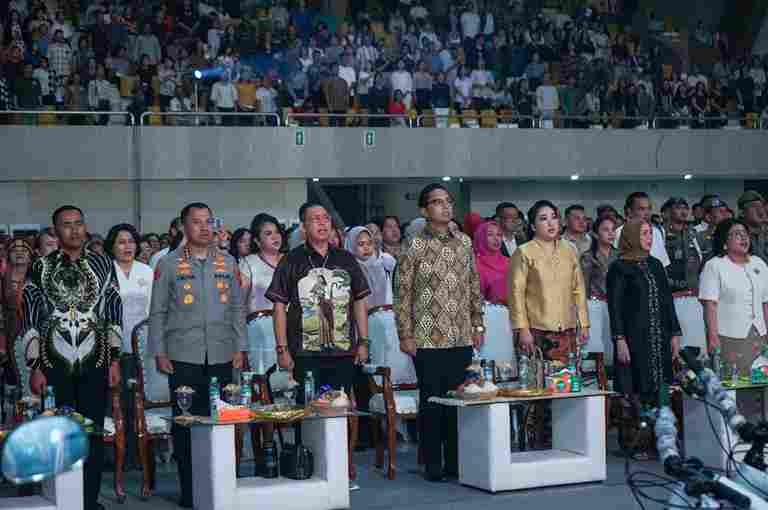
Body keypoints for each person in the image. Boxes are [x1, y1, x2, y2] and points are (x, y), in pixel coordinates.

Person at [20, 205, 123, 510]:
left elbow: (113, 312)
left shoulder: (103, 264)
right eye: (67, 225)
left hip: (96, 362)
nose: (75, 230)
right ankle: (63, 499)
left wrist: (114, 360)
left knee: (91, 431)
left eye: (79, 223)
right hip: (53, 365)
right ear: (55, 230)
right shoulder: (39, 268)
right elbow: (30, 319)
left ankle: (89, 500)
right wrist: (35, 367)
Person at [148, 202, 247, 508]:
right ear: (183, 227)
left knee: (220, 423)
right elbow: (158, 311)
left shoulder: (228, 262)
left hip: (221, 352)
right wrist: (159, 351)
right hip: (183, 355)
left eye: (209, 221)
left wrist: (240, 346)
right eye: (197, 222)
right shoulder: (169, 263)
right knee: (187, 424)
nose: (205, 227)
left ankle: (220, 488)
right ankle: (190, 491)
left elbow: (237, 308)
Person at [394, 183, 484, 482]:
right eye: (437, 202)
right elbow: (402, 292)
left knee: (459, 400)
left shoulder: (465, 243)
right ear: (424, 210)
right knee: (432, 401)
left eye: (448, 201)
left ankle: (456, 463)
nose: (445, 207)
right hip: (427, 337)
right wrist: (405, 334)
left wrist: (478, 324)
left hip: (460, 335)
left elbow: (473, 286)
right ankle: (432, 464)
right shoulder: (414, 245)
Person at [607, 220, 681, 457]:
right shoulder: (619, 268)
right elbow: (615, 308)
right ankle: (636, 443)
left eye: (651, 233)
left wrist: (675, 335)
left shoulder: (656, 265)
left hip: (660, 338)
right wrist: (619, 339)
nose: (649, 238)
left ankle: (662, 442)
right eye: (644, 233)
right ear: (630, 236)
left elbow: (668, 302)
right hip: (634, 339)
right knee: (636, 387)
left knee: (660, 388)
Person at [509, 200, 590, 364]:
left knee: (567, 381)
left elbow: (578, 289)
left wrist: (584, 323)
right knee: (539, 383)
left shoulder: (569, 250)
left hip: (567, 328)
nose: (551, 223)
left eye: (554, 217)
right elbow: (516, 294)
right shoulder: (524, 252)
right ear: (532, 226)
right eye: (543, 219)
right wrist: (522, 329)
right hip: (536, 330)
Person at [105, 223, 153, 469]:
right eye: (121, 242)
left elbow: (155, 310)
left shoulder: (147, 271)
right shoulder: (106, 272)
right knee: (118, 403)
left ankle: (141, 457)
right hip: (114, 348)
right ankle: (116, 458)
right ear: (112, 246)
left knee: (141, 403)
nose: (127, 246)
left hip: (143, 349)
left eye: (131, 241)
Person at [699, 219, 768, 393]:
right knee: (732, 388)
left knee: (760, 386)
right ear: (724, 241)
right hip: (728, 338)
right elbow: (710, 304)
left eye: (745, 234)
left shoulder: (758, 263)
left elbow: (765, 302)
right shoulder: (714, 266)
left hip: (758, 336)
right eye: (737, 234)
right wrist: (713, 338)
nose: (743, 238)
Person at [240, 214, 284, 373]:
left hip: (288, 329)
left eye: (277, 232)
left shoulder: (291, 261)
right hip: (259, 331)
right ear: (257, 241)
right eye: (268, 233)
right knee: (262, 379)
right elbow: (239, 304)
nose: (275, 237)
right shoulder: (248, 263)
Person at [663, 198, 706, 355]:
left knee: (697, 346)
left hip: (693, 297)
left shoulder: (694, 235)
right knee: (676, 347)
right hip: (672, 296)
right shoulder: (661, 235)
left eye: (685, 207)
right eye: (678, 207)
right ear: (668, 212)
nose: (683, 211)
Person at [473, 221, 516, 369]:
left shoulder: (510, 262)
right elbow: (475, 298)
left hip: (512, 321)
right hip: (488, 322)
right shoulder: (475, 264)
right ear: (481, 238)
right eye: (490, 235)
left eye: (499, 235)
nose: (496, 239)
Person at [580, 216, 618, 362]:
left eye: (613, 230)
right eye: (605, 230)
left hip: (615, 305)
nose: (610, 233)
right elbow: (582, 286)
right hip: (594, 306)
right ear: (595, 234)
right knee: (597, 349)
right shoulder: (588, 257)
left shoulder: (620, 256)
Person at [614, 192, 671, 267]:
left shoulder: (656, 232)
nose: (647, 213)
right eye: (641, 209)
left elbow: (663, 264)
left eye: (649, 208)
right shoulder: (619, 233)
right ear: (629, 211)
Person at [696, 195, 730, 261]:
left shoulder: (729, 234)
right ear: (708, 217)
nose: (726, 215)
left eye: (726, 211)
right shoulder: (697, 236)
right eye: (720, 211)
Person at [739, 191, 768, 265]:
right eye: (754, 206)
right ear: (742, 212)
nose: (760, 211)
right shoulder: (737, 236)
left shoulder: (765, 233)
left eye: (761, 206)